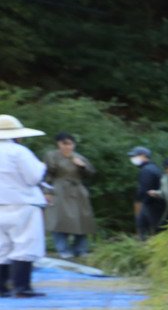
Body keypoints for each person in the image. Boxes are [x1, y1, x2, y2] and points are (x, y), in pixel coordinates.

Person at [0, 114, 49, 298]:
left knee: (1, 246)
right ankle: (21, 287)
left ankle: (1, 287)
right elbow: (33, 177)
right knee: (25, 244)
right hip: (22, 203)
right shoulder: (19, 152)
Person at [42, 132, 97, 260]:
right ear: (59, 144)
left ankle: (80, 249)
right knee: (58, 220)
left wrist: (82, 167)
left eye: (70, 144)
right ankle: (63, 250)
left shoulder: (78, 157)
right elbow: (46, 175)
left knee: (82, 220)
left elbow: (91, 173)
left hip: (78, 190)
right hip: (59, 189)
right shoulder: (51, 156)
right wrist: (47, 192)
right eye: (64, 144)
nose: (68, 147)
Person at [128, 146, 165, 239]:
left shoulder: (147, 170)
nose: (133, 158)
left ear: (144, 156)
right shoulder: (154, 167)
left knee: (145, 229)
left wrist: (139, 201)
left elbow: (145, 189)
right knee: (152, 229)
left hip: (151, 204)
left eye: (135, 156)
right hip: (157, 203)